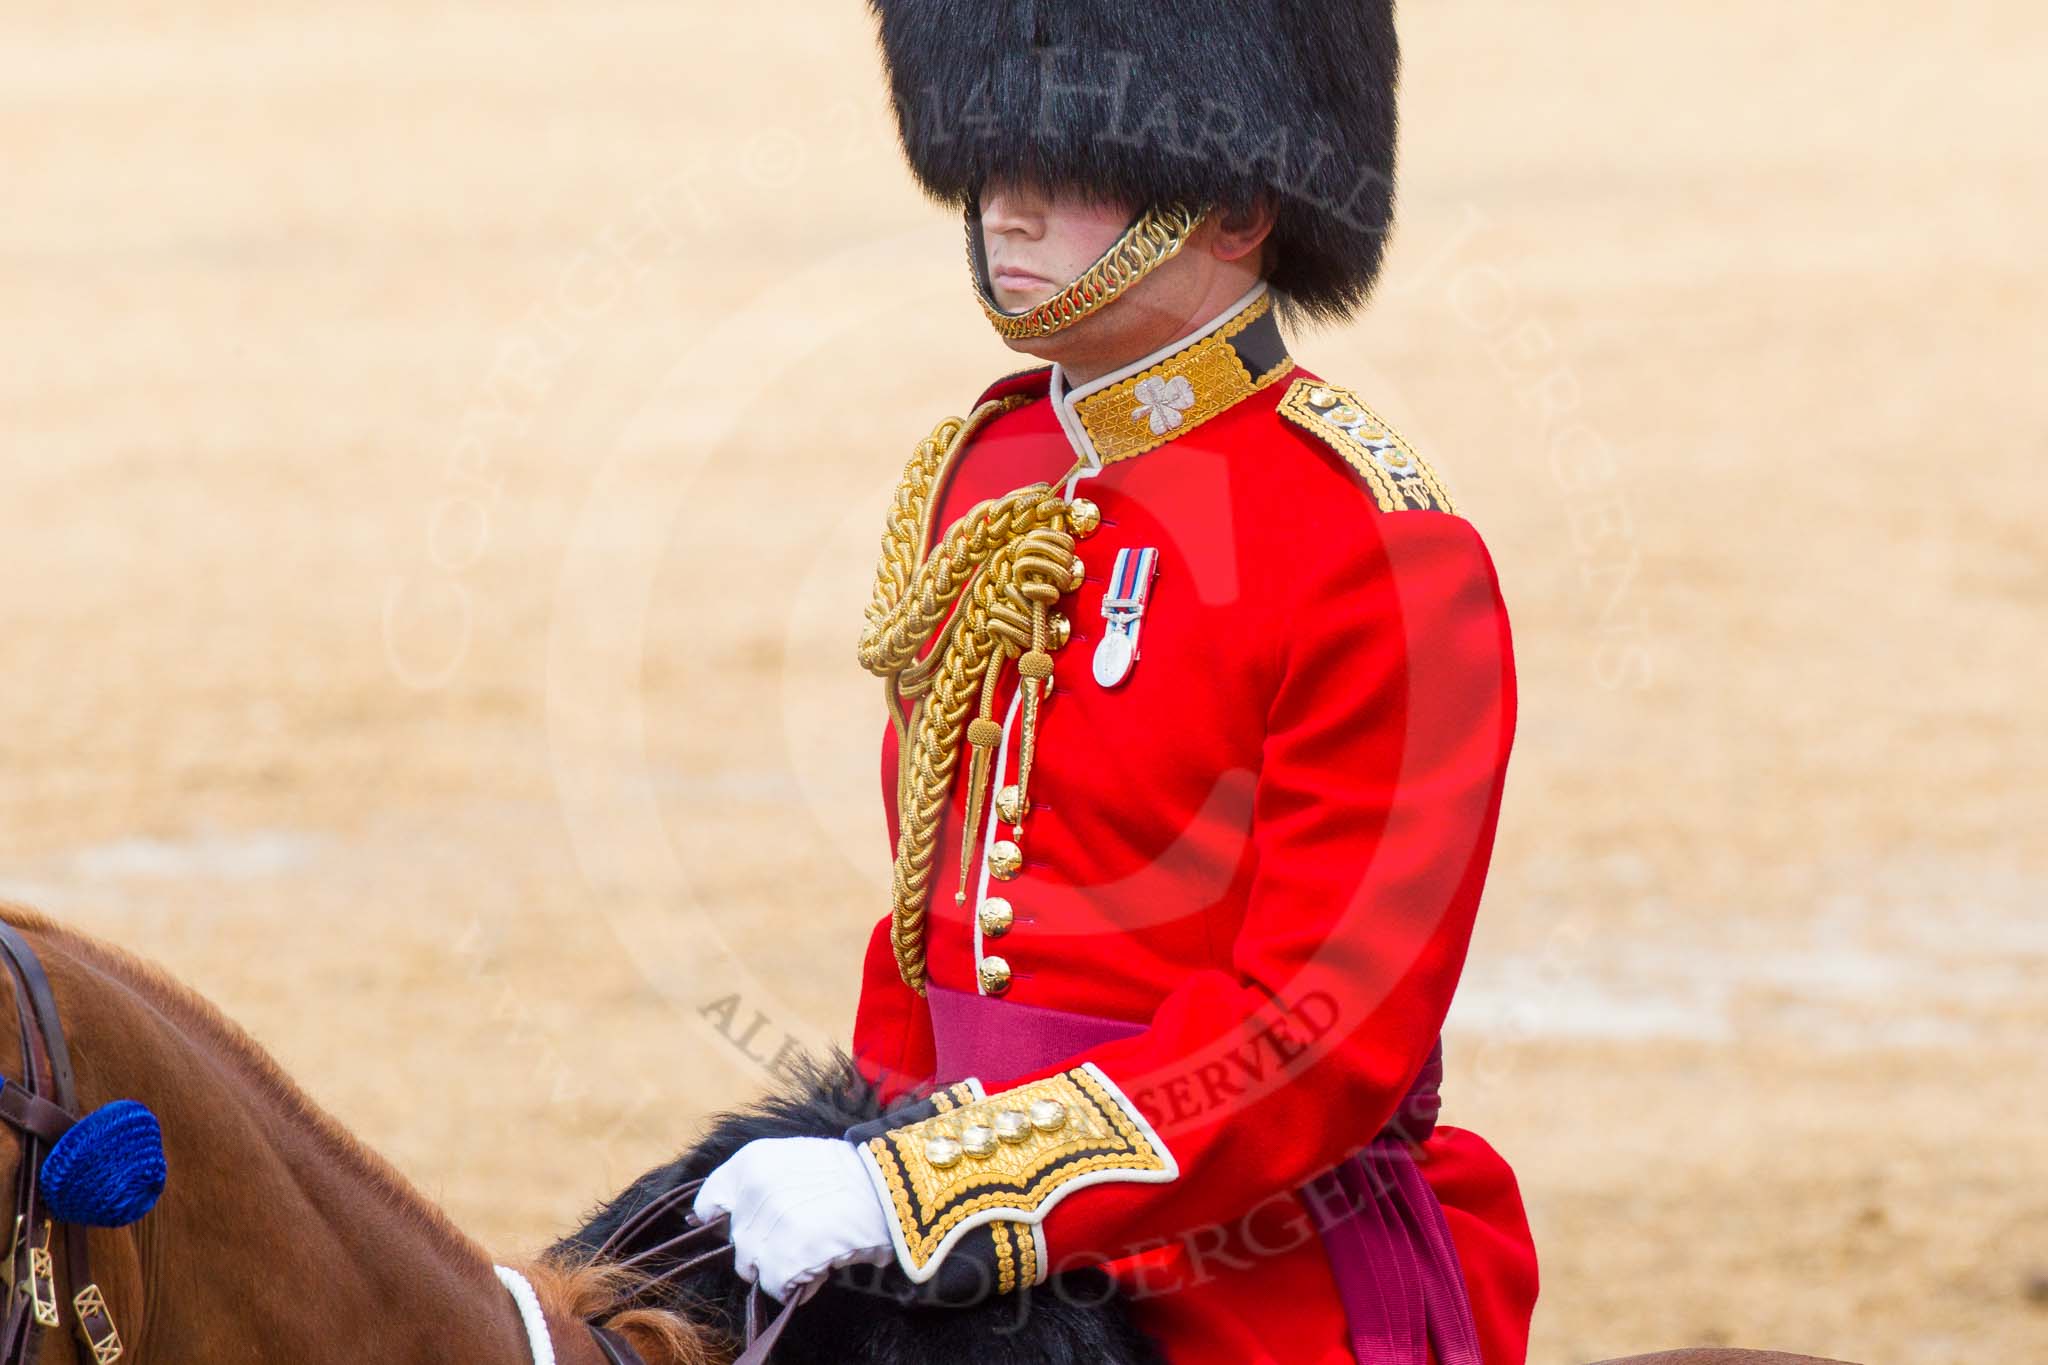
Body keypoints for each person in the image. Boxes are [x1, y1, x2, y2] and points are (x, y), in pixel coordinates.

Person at [694, 3, 1541, 1361]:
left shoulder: (1374, 546)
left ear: (1238, 206)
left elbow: (1319, 1035)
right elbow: (929, 922)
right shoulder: (987, 473)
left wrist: (939, 1188)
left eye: (1070, 167)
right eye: (992, 159)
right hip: (943, 1203)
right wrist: (866, 1153)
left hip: (1242, 1255)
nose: (1006, 210)